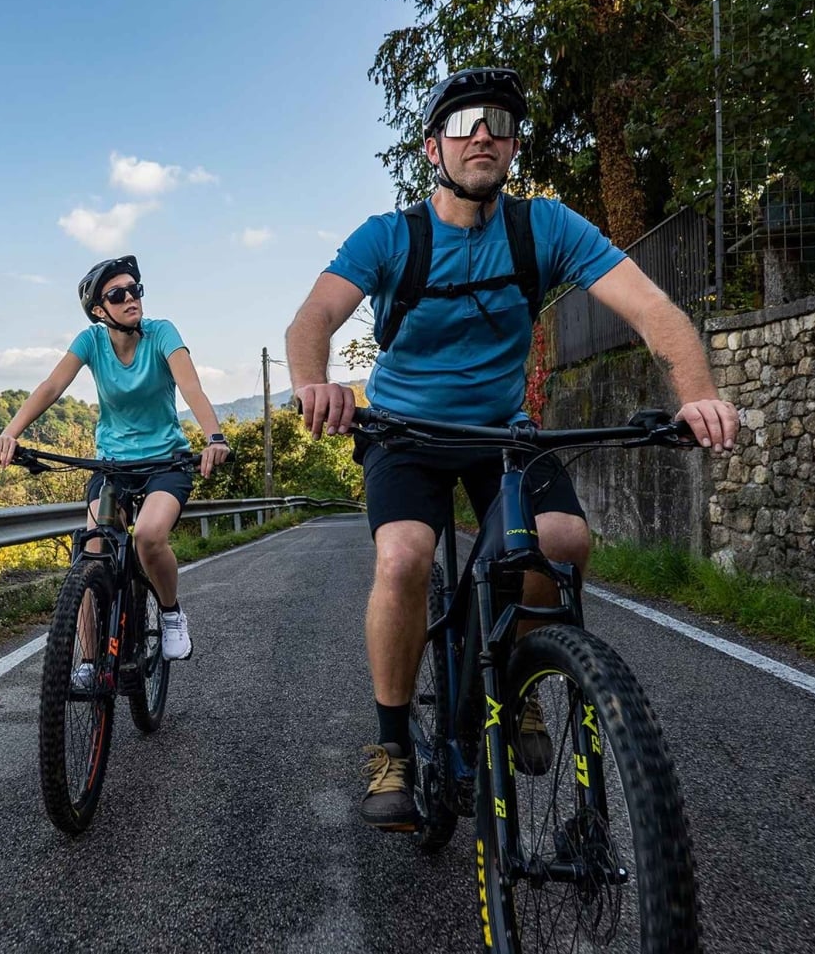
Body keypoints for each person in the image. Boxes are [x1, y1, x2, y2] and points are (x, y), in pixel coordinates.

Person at [284, 66, 738, 830]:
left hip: (501, 433)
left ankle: (518, 685)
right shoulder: (392, 236)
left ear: (515, 144)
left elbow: (654, 308)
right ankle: (392, 743)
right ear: (435, 149)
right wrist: (313, 382)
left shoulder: (545, 228)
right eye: (463, 123)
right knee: (403, 558)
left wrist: (696, 391)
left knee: (561, 540)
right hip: (406, 433)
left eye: (497, 121)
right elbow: (313, 319)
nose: (483, 133)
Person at [0, 255, 229, 672]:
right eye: (118, 295)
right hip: (112, 466)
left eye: (135, 289)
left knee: (149, 537)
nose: (131, 299)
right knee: (92, 552)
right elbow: (51, 387)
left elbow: (192, 388)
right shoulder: (91, 341)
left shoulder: (161, 333)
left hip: (165, 462)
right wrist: (11, 432)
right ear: (100, 311)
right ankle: (86, 660)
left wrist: (214, 437)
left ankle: (171, 614)